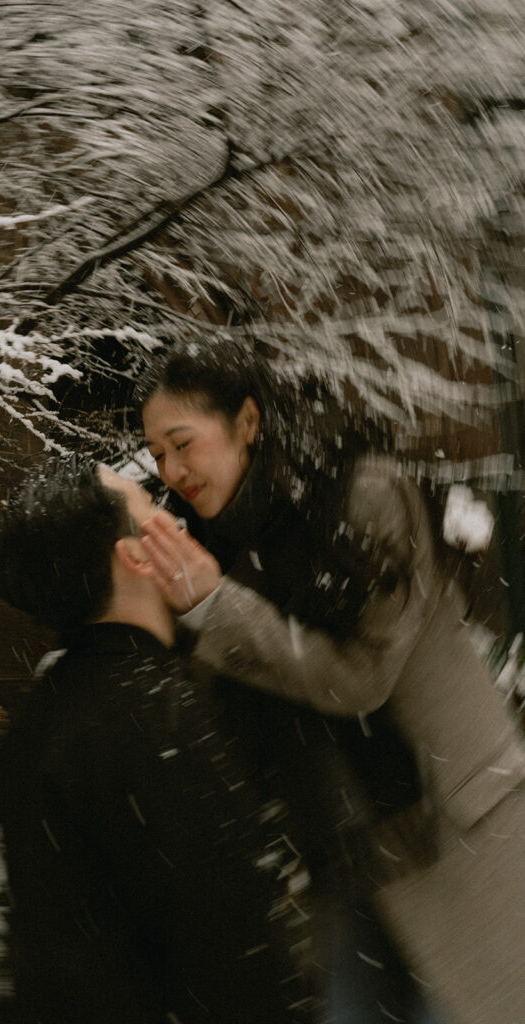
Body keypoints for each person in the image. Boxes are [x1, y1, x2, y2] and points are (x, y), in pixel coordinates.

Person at [136, 340, 525, 1024]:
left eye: (181, 443)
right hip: (347, 849)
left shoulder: (364, 494)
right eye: (156, 454)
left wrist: (214, 606)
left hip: (450, 820)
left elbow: (360, 679)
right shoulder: (218, 546)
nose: (170, 470)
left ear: (247, 422)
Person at [0, 453, 318, 1024]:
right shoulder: (157, 717)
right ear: (135, 554)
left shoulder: (44, 716)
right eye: (149, 506)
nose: (175, 517)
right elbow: (231, 953)